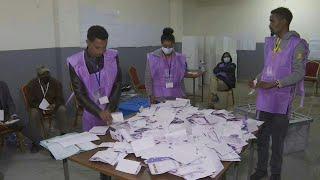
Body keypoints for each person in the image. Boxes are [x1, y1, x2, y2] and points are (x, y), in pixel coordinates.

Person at [249, 7, 309, 180]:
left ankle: (275, 174)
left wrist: (276, 84)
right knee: (261, 137)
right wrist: (255, 80)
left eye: (272, 20)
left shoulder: (297, 44)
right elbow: (267, 68)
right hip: (264, 99)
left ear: (283, 21)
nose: (270, 23)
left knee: (277, 142)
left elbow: (299, 73)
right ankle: (261, 170)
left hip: (281, 102)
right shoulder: (271, 42)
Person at [68, 25, 122, 132]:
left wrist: (109, 108)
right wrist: (99, 112)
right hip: (91, 112)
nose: (101, 52)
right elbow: (80, 94)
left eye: (104, 47)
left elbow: (117, 84)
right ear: (88, 42)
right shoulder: (75, 63)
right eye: (97, 47)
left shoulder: (112, 56)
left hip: (110, 108)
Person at [26, 66, 68, 153]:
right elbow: (31, 102)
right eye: (43, 75)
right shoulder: (31, 84)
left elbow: (60, 99)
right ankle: (36, 142)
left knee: (62, 109)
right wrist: (42, 107)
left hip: (53, 107)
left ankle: (64, 136)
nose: (46, 76)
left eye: (47, 74)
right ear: (38, 76)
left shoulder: (56, 83)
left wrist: (54, 105)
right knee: (33, 113)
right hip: (39, 108)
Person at [145, 27, 187, 103]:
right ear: (161, 44)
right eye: (165, 46)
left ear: (173, 44)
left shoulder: (179, 58)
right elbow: (148, 78)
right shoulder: (153, 57)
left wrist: (183, 94)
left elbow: (181, 79)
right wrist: (150, 95)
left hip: (176, 95)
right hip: (158, 96)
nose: (167, 48)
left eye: (170, 46)